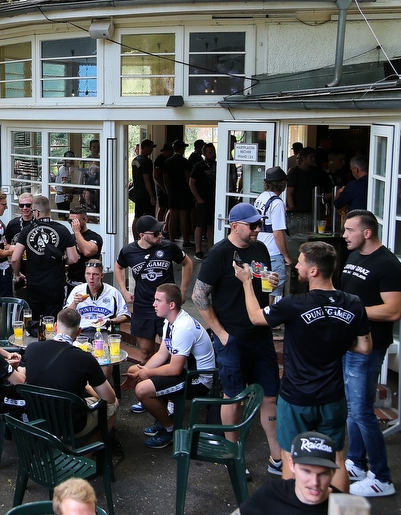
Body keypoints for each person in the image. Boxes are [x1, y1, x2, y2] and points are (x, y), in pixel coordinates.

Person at [233, 241, 370, 491]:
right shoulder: (353, 303)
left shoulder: (295, 303)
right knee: (336, 458)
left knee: (291, 458)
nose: (296, 265)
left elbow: (255, 317)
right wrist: (334, 337)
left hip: (297, 397)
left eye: (300, 262)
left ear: (314, 271)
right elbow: (364, 347)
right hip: (333, 397)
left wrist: (245, 282)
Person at [191, 202, 284, 475]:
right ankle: (233, 455)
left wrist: (271, 284)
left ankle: (276, 455)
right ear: (235, 226)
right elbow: (199, 296)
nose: (258, 229)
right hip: (232, 338)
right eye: (253, 225)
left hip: (260, 335)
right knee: (233, 397)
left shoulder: (261, 248)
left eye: (259, 224)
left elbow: (264, 285)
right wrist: (221, 334)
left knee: (270, 395)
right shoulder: (219, 255)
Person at [340, 209, 401, 498]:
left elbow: (393, 309)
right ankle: (356, 461)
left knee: (363, 411)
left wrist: (353, 311)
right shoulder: (353, 257)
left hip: (370, 346)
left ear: (367, 232)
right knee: (354, 408)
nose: (344, 236)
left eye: (349, 230)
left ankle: (381, 477)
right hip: (349, 343)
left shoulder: (388, 264)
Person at [123, 283, 215, 449]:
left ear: (171, 305)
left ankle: (169, 429)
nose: (154, 304)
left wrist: (147, 374)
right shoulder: (170, 321)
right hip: (184, 371)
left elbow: (174, 369)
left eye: (158, 300)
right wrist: (142, 371)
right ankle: (164, 418)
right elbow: (161, 354)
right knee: (133, 370)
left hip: (198, 379)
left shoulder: (183, 327)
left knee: (142, 389)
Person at [22, 308, 118, 436]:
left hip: (36, 419)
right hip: (71, 425)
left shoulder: (32, 348)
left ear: (55, 327)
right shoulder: (85, 358)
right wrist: (88, 388)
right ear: (79, 332)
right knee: (114, 404)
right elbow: (109, 398)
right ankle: (90, 450)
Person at [115, 215, 192, 368]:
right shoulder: (129, 251)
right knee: (145, 351)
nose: (160, 235)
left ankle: (165, 386)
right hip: (143, 306)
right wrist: (123, 290)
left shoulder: (168, 247)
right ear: (142, 235)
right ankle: (146, 384)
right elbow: (118, 266)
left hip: (167, 306)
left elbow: (187, 263)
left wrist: (182, 291)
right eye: (156, 233)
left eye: (160, 231)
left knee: (171, 350)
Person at [236, 432, 344, 514]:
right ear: (292, 464)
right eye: (306, 471)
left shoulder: (345, 506)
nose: (314, 482)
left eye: (322, 474)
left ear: (333, 472)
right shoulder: (272, 493)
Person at [11, 195, 78, 318]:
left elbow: (15, 258)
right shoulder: (63, 230)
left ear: (36, 212)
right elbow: (74, 258)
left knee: (35, 320)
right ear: (49, 211)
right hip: (55, 284)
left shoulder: (27, 230)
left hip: (34, 283)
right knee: (54, 320)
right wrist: (61, 261)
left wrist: (17, 274)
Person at [254, 166, 293, 301]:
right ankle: (269, 320)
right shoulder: (277, 203)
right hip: (274, 252)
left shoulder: (261, 197)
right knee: (273, 290)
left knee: (263, 287)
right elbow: (278, 233)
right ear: (282, 184)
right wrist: (287, 256)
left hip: (261, 248)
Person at [65, 260, 129, 338]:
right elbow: (66, 316)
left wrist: (109, 321)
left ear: (102, 275)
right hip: (80, 331)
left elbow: (126, 315)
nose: (91, 278)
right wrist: (74, 303)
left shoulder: (112, 292)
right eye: (88, 274)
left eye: (95, 274)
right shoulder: (77, 291)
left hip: (104, 331)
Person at [188, 142, 216, 259]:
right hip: (202, 201)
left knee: (211, 225)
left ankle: (210, 248)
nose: (213, 155)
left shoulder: (218, 165)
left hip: (213, 199)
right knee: (200, 225)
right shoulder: (198, 166)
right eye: (210, 153)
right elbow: (191, 182)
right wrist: (198, 198)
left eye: (213, 152)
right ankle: (198, 250)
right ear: (204, 153)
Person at [163, 140, 193, 246]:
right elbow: (188, 177)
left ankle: (171, 239)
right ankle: (185, 240)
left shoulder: (167, 161)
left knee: (173, 217)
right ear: (181, 149)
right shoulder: (184, 161)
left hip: (172, 191)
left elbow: (165, 179)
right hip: (184, 191)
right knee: (184, 217)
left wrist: (168, 191)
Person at [66, 206, 103, 287]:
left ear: (85, 220)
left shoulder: (95, 237)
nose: (72, 224)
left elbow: (87, 251)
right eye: (70, 221)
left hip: (89, 283)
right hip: (71, 282)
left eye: (75, 221)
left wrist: (76, 231)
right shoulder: (70, 237)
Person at [130, 138, 157, 233]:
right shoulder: (146, 161)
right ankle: (147, 236)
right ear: (145, 148)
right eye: (150, 148)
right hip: (145, 194)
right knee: (148, 217)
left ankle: (135, 238)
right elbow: (147, 180)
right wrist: (152, 196)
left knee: (137, 216)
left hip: (137, 193)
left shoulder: (135, 160)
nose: (152, 150)